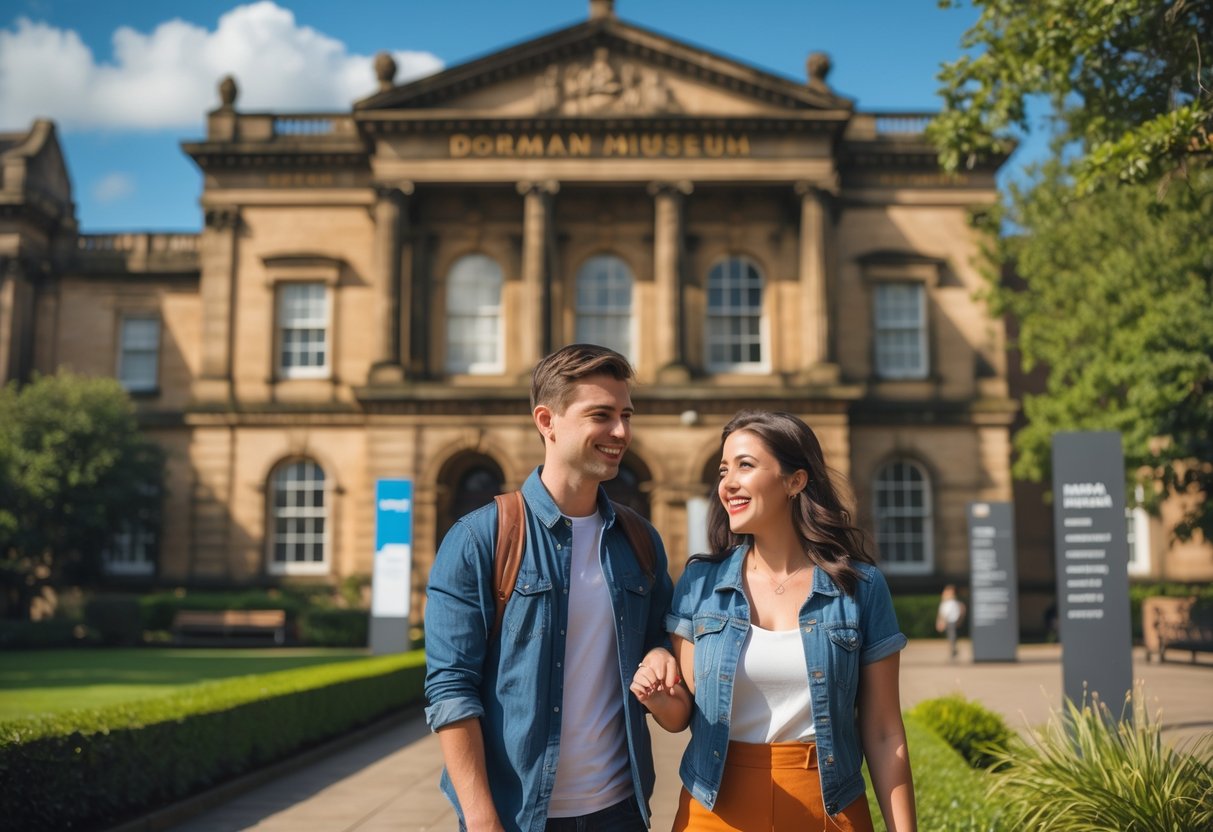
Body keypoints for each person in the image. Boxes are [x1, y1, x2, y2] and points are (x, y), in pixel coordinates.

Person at [425, 343, 682, 832]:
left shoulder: (639, 539)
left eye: (626, 414)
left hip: (620, 811)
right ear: (547, 420)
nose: (621, 432)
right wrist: (481, 819)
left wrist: (660, 655)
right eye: (601, 415)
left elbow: (656, 640)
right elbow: (450, 690)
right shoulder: (480, 538)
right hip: (518, 816)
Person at [632, 410, 916, 831]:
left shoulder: (859, 586)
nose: (727, 483)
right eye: (723, 469)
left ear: (795, 481)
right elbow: (682, 714)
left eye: (745, 466)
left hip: (827, 806)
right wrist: (657, 696)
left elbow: (883, 731)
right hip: (714, 808)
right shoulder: (700, 583)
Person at [935, 584, 966, 660]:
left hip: (951, 621)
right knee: (951, 637)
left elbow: (946, 613)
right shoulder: (947, 602)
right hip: (950, 621)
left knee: (952, 637)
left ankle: (953, 651)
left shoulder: (951, 602)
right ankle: (953, 651)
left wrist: (942, 621)